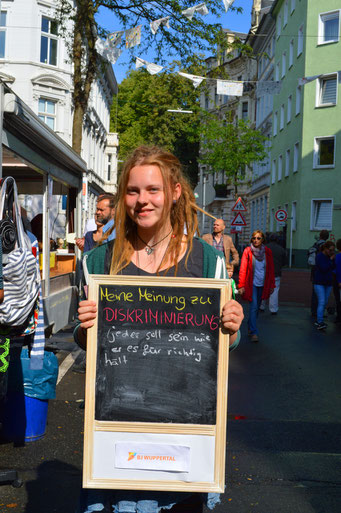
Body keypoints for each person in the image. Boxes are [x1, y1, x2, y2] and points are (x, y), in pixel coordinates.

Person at [74, 145, 244, 513]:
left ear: (174, 193)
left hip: (185, 435)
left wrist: (232, 327)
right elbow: (89, 341)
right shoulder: (99, 261)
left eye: (153, 190)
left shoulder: (208, 262)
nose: (142, 200)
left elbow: (222, 347)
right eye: (133, 191)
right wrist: (84, 327)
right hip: (119, 431)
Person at [238, 230, 275, 343]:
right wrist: (241, 285)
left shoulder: (267, 252)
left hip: (262, 284)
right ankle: (254, 332)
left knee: (257, 307)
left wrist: (272, 284)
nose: (256, 240)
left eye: (258, 238)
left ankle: (250, 326)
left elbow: (271, 269)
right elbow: (243, 268)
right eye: (254, 238)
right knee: (254, 307)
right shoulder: (247, 251)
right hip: (251, 284)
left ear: (262, 239)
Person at [259, 233, 287, 315]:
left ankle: (261, 306)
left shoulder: (264, 248)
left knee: (263, 288)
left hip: (264, 272)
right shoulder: (281, 249)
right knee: (275, 290)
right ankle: (273, 309)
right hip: (276, 272)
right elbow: (284, 262)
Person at [313, 240, 335, 330]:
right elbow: (324, 268)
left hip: (328, 283)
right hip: (319, 283)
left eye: (333, 250)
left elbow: (333, 268)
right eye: (330, 250)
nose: (332, 252)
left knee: (324, 302)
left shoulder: (330, 257)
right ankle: (319, 321)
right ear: (325, 249)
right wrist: (330, 261)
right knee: (322, 302)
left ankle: (320, 320)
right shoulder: (319, 256)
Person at [309, 229, 329, 318]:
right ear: (327, 237)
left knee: (315, 292)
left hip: (315, 269)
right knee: (323, 293)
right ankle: (320, 312)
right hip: (324, 271)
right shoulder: (326, 246)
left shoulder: (315, 244)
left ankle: (314, 311)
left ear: (320, 235)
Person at [333, 239, 341, 323]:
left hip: (337, 280)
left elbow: (337, 270)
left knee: (338, 299)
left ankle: (339, 317)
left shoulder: (337, 256)